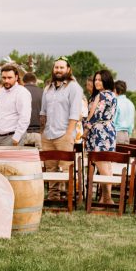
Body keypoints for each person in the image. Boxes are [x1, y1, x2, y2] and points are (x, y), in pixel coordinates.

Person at [40, 57, 83, 201]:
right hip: (48, 135)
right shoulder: (47, 88)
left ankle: (70, 199)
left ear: (68, 69)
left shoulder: (74, 87)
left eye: (61, 67)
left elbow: (75, 113)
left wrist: (69, 134)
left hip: (64, 134)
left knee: (66, 168)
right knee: (50, 167)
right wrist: (42, 133)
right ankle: (53, 197)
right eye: (56, 67)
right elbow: (43, 113)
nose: (58, 70)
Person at [84, 70, 117, 204]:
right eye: (96, 79)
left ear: (106, 81)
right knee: (107, 166)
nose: (97, 82)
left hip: (99, 132)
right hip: (108, 130)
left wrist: (86, 129)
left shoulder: (102, 95)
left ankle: (108, 199)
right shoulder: (112, 95)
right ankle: (104, 198)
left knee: (102, 165)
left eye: (100, 80)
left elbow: (95, 115)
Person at [0, 65, 31, 146]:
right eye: (4, 78)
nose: (6, 80)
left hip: (12, 138)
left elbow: (25, 117)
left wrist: (17, 137)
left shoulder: (22, 92)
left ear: (16, 77)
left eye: (9, 78)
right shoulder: (0, 92)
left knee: (14, 159)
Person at [22, 72, 43, 148]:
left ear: (23, 81)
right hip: (39, 133)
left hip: (21, 134)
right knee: (39, 159)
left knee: (23, 159)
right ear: (35, 81)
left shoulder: (19, 92)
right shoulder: (43, 93)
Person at [113, 80, 135, 145]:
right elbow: (131, 124)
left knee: (114, 155)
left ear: (115, 90)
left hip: (117, 134)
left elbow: (113, 121)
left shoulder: (116, 102)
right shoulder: (131, 103)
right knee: (125, 154)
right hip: (127, 135)